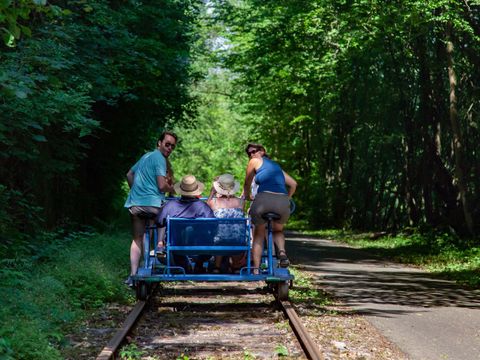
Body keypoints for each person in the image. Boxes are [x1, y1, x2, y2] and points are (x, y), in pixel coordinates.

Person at [124, 131, 178, 286]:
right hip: (153, 205)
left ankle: (133, 275)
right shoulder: (160, 159)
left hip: (135, 205)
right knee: (168, 212)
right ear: (159, 143)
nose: (169, 148)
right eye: (167, 144)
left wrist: (136, 191)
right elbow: (162, 186)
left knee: (137, 239)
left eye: (172, 146)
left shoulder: (145, 156)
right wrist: (172, 189)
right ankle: (160, 244)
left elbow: (129, 174)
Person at [242, 143, 297, 273]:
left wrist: (247, 195)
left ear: (262, 151)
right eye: (249, 153)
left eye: (254, 151)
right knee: (278, 230)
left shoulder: (254, 161)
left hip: (264, 200)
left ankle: (255, 269)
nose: (251, 155)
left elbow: (247, 182)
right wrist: (287, 198)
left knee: (259, 233)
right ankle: (282, 253)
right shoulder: (275, 166)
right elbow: (294, 184)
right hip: (283, 202)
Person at [156, 175, 215, 273]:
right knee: (206, 240)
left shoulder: (171, 206)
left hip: (176, 246)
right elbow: (213, 226)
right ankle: (198, 264)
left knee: (177, 244)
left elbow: (159, 221)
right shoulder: (203, 207)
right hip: (201, 247)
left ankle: (184, 265)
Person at [207, 173, 246, 273]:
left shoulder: (214, 202)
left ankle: (217, 267)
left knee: (220, 236)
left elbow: (206, 207)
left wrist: (212, 192)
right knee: (234, 233)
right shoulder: (241, 202)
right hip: (238, 239)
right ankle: (236, 266)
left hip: (219, 239)